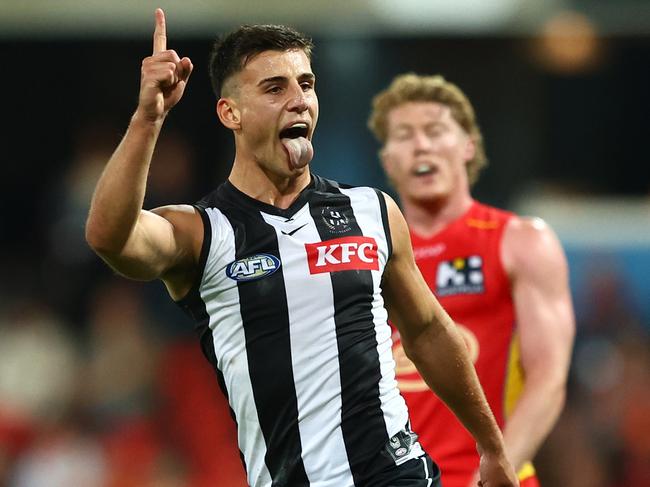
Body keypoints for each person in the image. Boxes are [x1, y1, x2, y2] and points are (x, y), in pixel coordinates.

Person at [85, 9, 519, 487]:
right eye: (275, 89)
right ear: (231, 112)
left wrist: (492, 447)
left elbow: (430, 332)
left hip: (400, 475)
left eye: (306, 84)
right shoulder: (202, 232)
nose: (299, 101)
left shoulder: (371, 211)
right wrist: (149, 117)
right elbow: (109, 236)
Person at [368, 73, 575, 487]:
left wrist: (497, 472)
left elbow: (548, 379)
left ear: (468, 147)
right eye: (404, 135)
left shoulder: (519, 241)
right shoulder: (369, 259)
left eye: (435, 130)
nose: (421, 145)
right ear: (388, 160)